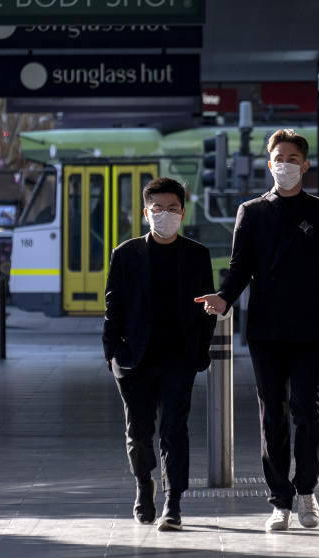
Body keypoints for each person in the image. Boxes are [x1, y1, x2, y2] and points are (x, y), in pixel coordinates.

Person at [195, 128, 319, 533]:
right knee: (273, 416)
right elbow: (239, 267)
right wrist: (224, 299)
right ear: (269, 164)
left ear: (305, 165)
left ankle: (307, 492)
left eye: (291, 159)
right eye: (277, 159)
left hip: (309, 328)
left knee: (308, 410)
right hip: (266, 328)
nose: (283, 165)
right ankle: (279, 500)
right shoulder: (252, 211)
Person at [103, 177, 216, 531]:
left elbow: (207, 309)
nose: (164, 215)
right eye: (157, 209)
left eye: (171, 209)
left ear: (182, 212)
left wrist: (199, 353)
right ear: (145, 212)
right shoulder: (125, 254)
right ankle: (143, 485)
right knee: (138, 433)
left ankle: (174, 503)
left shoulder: (197, 255)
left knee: (174, 430)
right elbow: (113, 308)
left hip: (178, 359)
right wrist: (112, 354)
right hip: (134, 359)